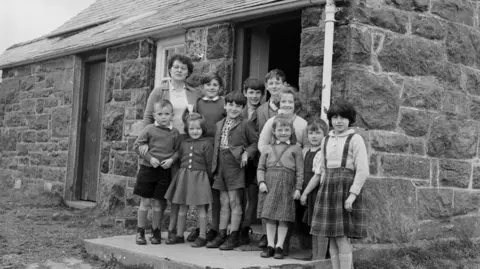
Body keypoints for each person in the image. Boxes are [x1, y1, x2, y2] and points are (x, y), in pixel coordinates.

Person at [139, 54, 199, 240]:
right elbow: (148, 118)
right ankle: (153, 229)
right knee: (159, 189)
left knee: (177, 187)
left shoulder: (194, 93)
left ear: (188, 72)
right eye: (176, 67)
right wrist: (146, 144)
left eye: (183, 67)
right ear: (170, 70)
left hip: (184, 143)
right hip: (161, 144)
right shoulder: (159, 91)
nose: (180, 70)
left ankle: (173, 229)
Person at [310, 99, 369, 269]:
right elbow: (323, 169)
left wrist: (352, 195)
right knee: (332, 237)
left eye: (343, 117)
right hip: (328, 190)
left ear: (349, 119)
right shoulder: (326, 139)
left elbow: (363, 170)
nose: (338, 121)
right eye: (335, 117)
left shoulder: (355, 139)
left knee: (342, 237)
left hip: (345, 190)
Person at [257, 85, 308, 255]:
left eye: (290, 101)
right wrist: (263, 179)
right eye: (283, 101)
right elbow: (262, 155)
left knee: (285, 214)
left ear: (295, 103)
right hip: (271, 178)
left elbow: (303, 157)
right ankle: (271, 245)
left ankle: (281, 246)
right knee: (270, 213)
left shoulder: (301, 126)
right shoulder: (272, 124)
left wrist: (298, 187)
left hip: (289, 180)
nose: (287, 104)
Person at [206, 91, 258, 250]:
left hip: (235, 165)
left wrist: (246, 154)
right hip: (220, 165)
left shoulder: (246, 124)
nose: (234, 108)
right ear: (225, 105)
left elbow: (255, 143)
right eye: (231, 104)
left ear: (243, 108)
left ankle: (234, 235)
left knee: (235, 200)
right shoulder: (219, 124)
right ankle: (222, 234)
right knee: (223, 201)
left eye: (238, 105)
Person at [133, 100, 181, 245]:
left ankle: (156, 231)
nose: (163, 117)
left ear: (171, 115)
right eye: (160, 114)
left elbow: (178, 150)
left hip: (164, 171)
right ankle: (140, 231)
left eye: (166, 114)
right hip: (148, 170)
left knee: (159, 204)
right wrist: (149, 158)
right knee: (145, 201)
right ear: (154, 115)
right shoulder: (149, 129)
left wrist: (171, 160)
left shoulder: (175, 132)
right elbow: (137, 145)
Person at [164, 113, 214, 247]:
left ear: (203, 129)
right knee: (182, 206)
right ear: (187, 129)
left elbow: (210, 164)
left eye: (198, 128)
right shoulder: (183, 143)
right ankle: (180, 235)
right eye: (192, 129)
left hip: (200, 178)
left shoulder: (207, 144)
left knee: (201, 208)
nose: (195, 131)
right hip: (184, 177)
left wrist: (209, 179)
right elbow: (179, 158)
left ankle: (202, 236)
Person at [187, 73, 225, 243]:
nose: (211, 87)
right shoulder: (199, 103)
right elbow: (192, 122)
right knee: (202, 189)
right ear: (202, 88)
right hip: (201, 148)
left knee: (215, 190)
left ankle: (215, 228)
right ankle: (201, 226)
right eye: (208, 84)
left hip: (217, 148)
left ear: (220, 88)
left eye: (215, 85)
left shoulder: (224, 102)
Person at [255, 69, 286, 249]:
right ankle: (266, 236)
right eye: (271, 83)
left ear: (284, 84)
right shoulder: (261, 110)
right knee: (265, 198)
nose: (274, 86)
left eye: (278, 82)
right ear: (266, 87)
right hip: (266, 160)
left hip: (285, 160)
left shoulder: (290, 105)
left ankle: (282, 240)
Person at [238, 77, 265, 245]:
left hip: (256, 159)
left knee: (252, 196)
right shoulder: (237, 109)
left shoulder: (264, 111)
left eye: (258, 93)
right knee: (238, 195)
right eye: (251, 92)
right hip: (238, 158)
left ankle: (245, 227)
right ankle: (235, 226)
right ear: (245, 93)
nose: (254, 96)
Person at [298, 119, 329, 260]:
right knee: (313, 227)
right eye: (311, 133)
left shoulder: (322, 153)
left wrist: (305, 193)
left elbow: (316, 177)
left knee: (320, 227)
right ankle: (314, 256)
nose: (314, 136)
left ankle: (320, 258)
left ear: (324, 134)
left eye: (318, 133)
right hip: (307, 192)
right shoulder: (305, 151)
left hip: (316, 192)